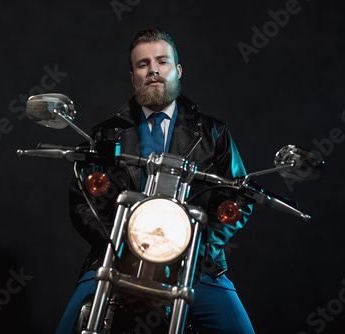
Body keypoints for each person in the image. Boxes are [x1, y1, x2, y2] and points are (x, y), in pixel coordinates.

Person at [55, 27, 254, 333]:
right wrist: (124, 250)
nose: (153, 71)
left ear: (178, 69)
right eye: (143, 64)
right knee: (71, 325)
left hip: (197, 265)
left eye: (162, 61)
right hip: (117, 260)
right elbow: (85, 204)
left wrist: (194, 252)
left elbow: (238, 199)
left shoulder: (214, 133)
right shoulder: (105, 135)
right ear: (133, 76)